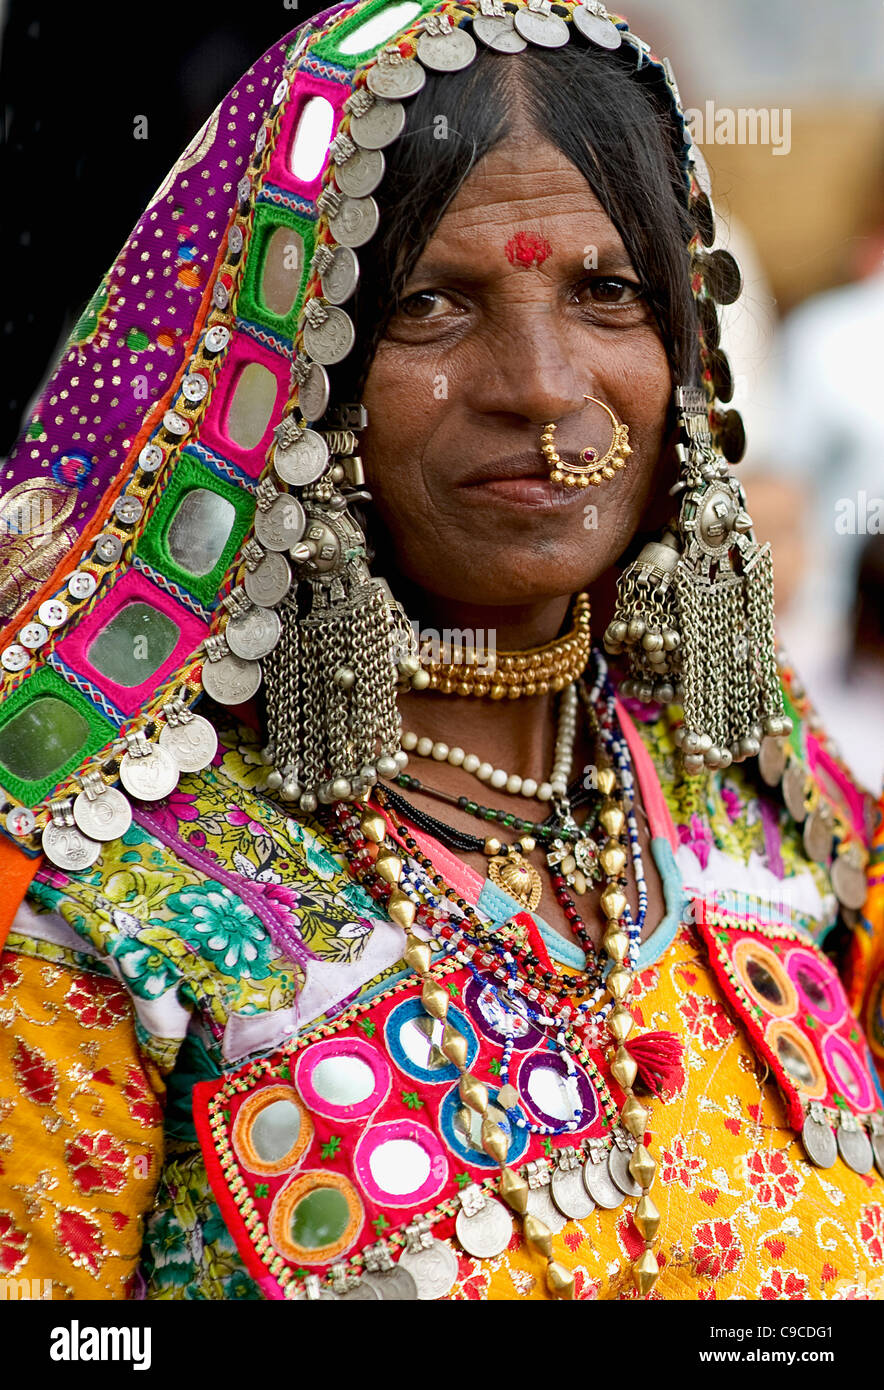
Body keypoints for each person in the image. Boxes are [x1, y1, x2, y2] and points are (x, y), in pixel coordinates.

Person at [0, 0, 882, 1304]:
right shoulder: (97, 898)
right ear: (301, 373)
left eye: (604, 292)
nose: (538, 382)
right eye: (431, 304)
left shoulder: (780, 818)